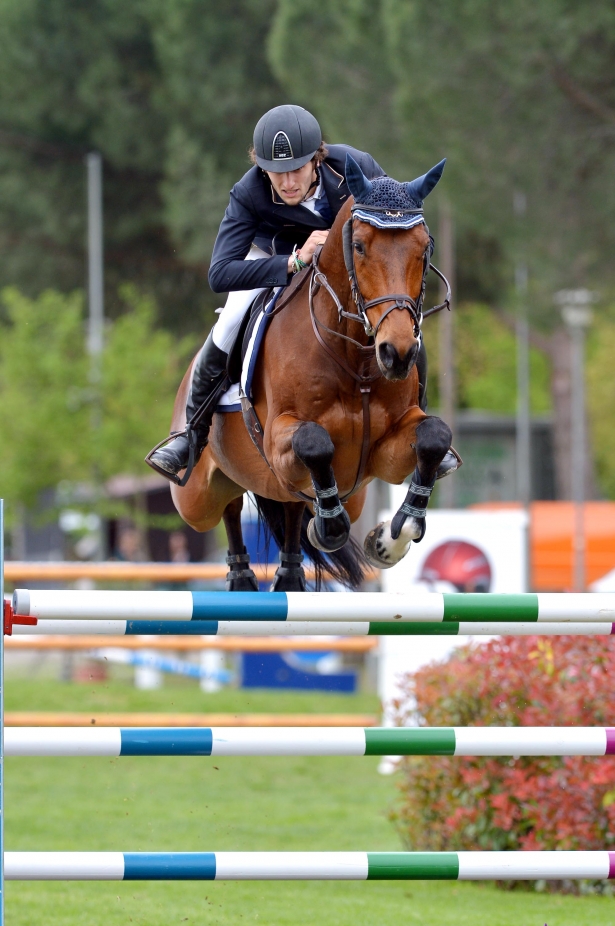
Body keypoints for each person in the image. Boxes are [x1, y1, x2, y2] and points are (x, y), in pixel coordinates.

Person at [147, 104, 443, 481]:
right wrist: (293, 261)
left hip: (346, 268)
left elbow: (394, 220)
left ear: (317, 160)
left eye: (297, 170)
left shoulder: (355, 166)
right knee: (231, 319)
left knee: (403, 327)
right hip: (272, 257)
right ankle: (192, 434)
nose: (287, 183)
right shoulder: (248, 193)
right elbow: (219, 273)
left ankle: (417, 423)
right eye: (276, 173)